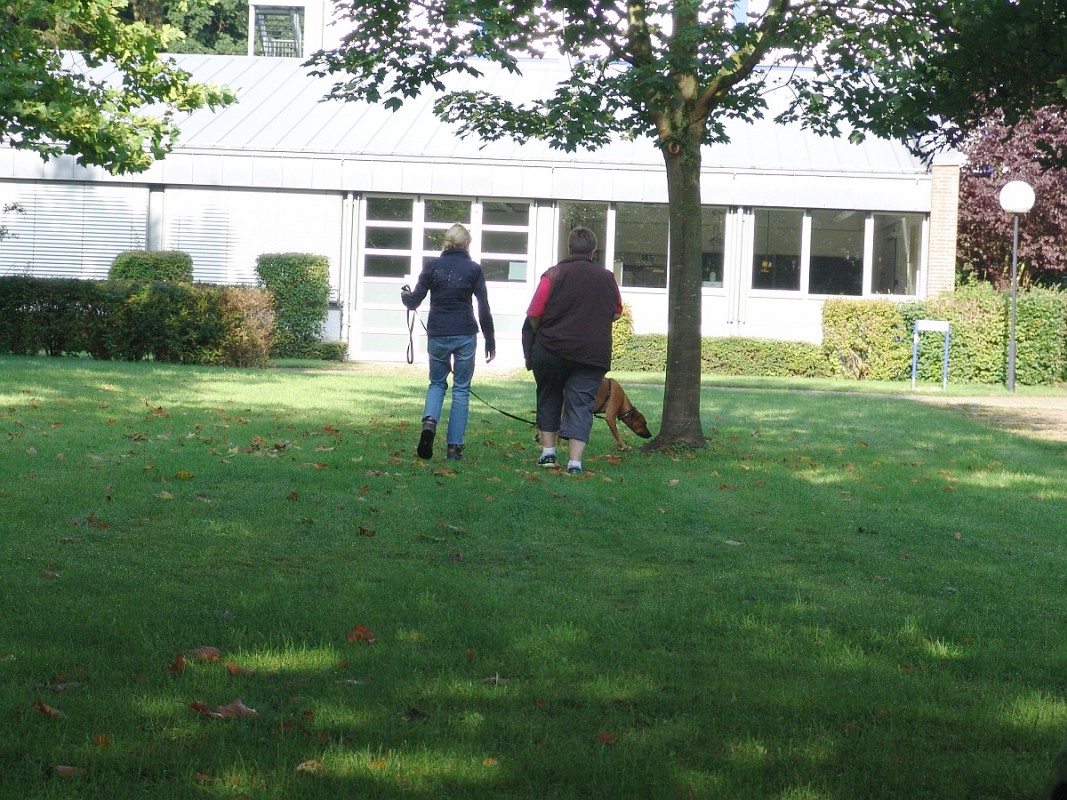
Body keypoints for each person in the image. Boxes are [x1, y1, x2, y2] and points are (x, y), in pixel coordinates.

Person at [525, 226, 622, 475]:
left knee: (548, 394)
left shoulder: (553, 275)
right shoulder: (607, 278)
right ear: (593, 251)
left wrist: (540, 332)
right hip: (591, 353)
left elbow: (534, 312)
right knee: (581, 403)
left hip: (551, 349)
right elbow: (616, 313)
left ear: (569, 249)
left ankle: (548, 454)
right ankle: (575, 464)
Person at [401, 223, 495, 461]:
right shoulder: (473, 269)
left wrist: (405, 295)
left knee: (437, 383)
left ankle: (429, 423)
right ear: (466, 244)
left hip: (438, 332)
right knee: (461, 389)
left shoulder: (432, 267)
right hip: (464, 333)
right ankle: (454, 449)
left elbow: (414, 302)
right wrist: (490, 340)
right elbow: (483, 307)